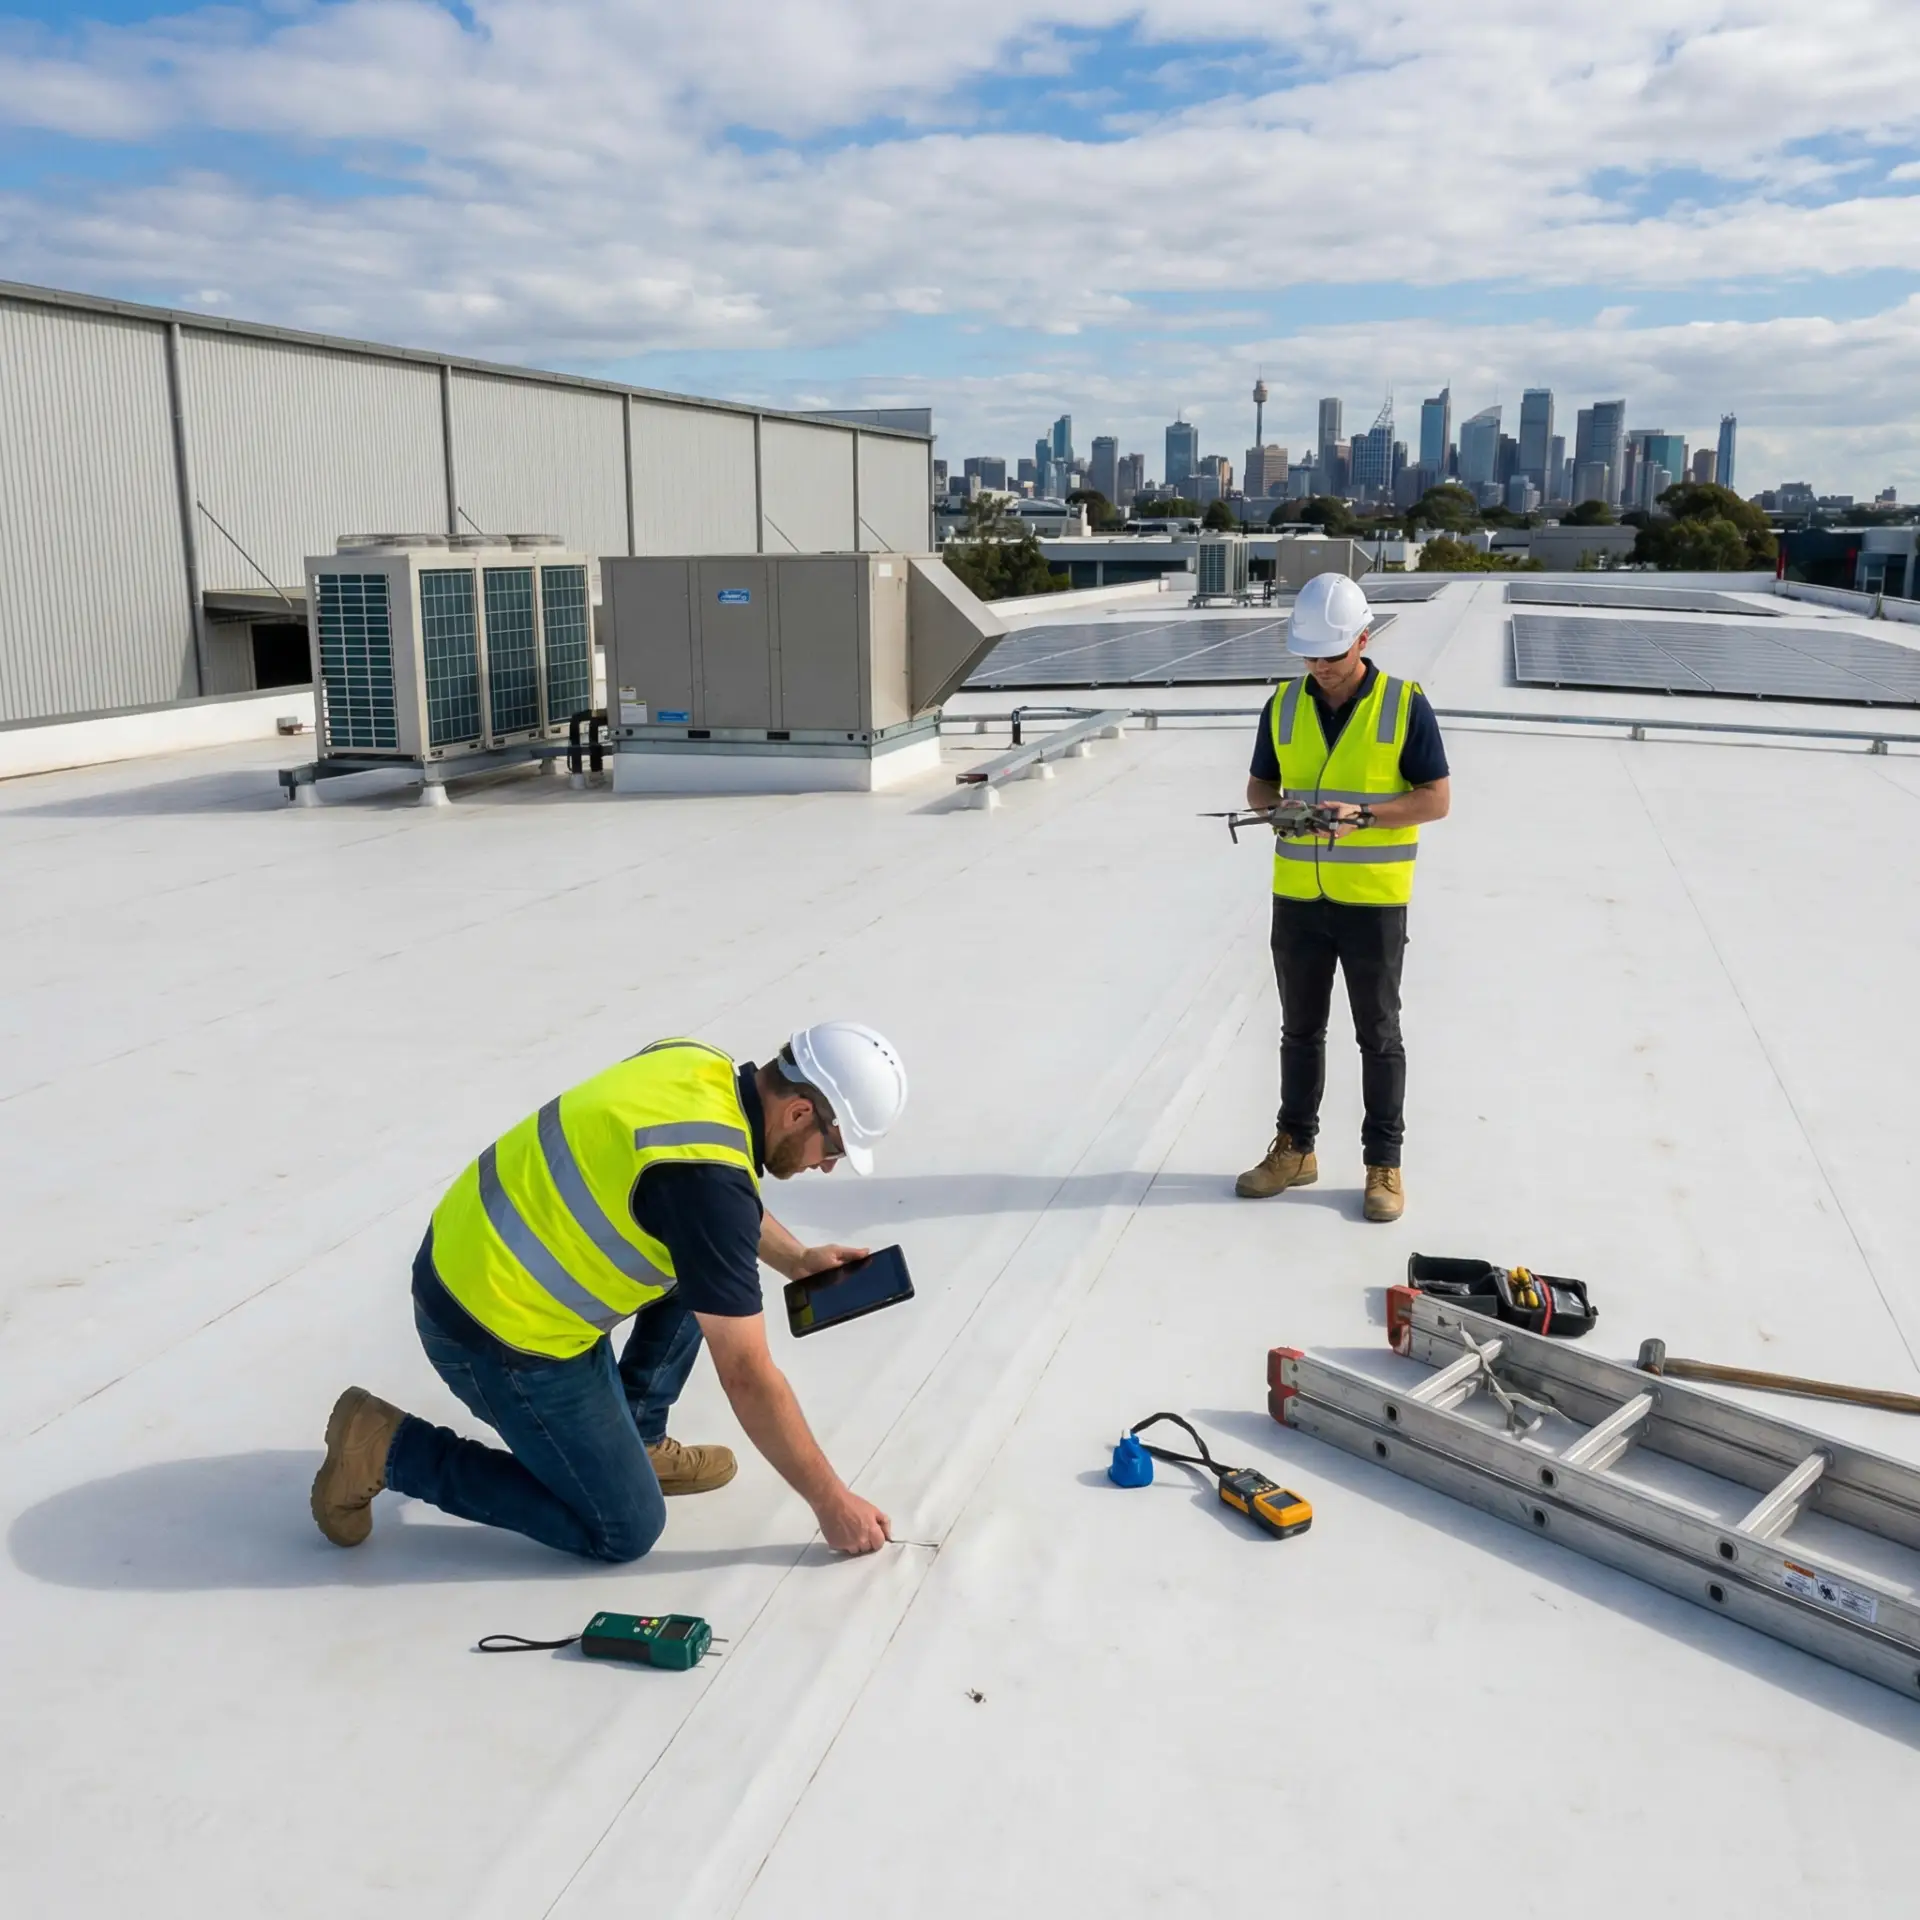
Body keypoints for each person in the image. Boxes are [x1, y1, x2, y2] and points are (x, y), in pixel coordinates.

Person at [310, 1022, 908, 1561]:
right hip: (491, 1330)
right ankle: (389, 1446)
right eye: (834, 1149)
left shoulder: (694, 1063)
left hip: (472, 1254)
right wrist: (832, 1502)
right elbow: (748, 1375)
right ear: (801, 1113)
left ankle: (637, 1438)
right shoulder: (708, 1188)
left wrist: (797, 1257)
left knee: (708, 1264)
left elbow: (699, 1199)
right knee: (624, 1527)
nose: (828, 1166)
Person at [1236, 573, 1450, 1221]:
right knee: (1299, 1031)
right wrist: (1286, 810)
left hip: (1373, 901)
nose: (1321, 668)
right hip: (1299, 896)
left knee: (1378, 1035)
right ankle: (1295, 1150)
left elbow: (1435, 799)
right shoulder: (1282, 705)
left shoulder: (1404, 705)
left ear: (1364, 638)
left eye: (1332, 655)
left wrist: (1361, 816)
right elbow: (1258, 791)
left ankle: (1383, 1164)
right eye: (1310, 655)